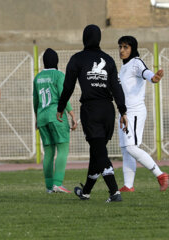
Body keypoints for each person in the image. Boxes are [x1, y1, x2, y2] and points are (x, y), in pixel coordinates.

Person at [57, 24, 128, 203]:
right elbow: (117, 87)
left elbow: (68, 87)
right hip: (108, 111)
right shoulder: (109, 60)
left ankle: (114, 192)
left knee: (100, 154)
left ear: (84, 38)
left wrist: (60, 107)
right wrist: (123, 111)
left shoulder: (77, 59)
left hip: (91, 110)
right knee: (97, 153)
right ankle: (86, 192)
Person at [117, 36, 168, 192]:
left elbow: (147, 73)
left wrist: (154, 78)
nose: (122, 50)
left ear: (133, 48)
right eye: (120, 47)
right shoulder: (124, 67)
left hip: (135, 112)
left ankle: (161, 175)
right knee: (126, 149)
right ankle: (128, 185)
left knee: (131, 147)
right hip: (124, 113)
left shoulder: (136, 62)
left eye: (126, 47)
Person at [33, 48, 77, 194]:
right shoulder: (58, 75)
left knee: (49, 152)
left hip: (42, 117)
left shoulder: (38, 77)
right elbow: (63, 95)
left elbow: (35, 100)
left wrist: (36, 118)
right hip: (56, 115)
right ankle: (58, 183)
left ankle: (49, 187)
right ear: (56, 61)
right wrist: (71, 113)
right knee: (63, 149)